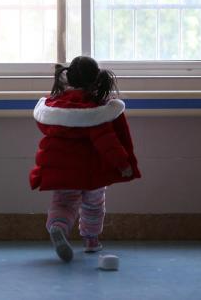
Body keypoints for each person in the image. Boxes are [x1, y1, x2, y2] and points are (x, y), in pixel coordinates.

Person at [29, 56, 141, 262]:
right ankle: (91, 240)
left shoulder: (55, 106)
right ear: (96, 80)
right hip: (91, 171)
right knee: (93, 205)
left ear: (68, 77)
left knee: (63, 203)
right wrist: (123, 164)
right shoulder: (95, 110)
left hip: (60, 170)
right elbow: (107, 143)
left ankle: (58, 227)